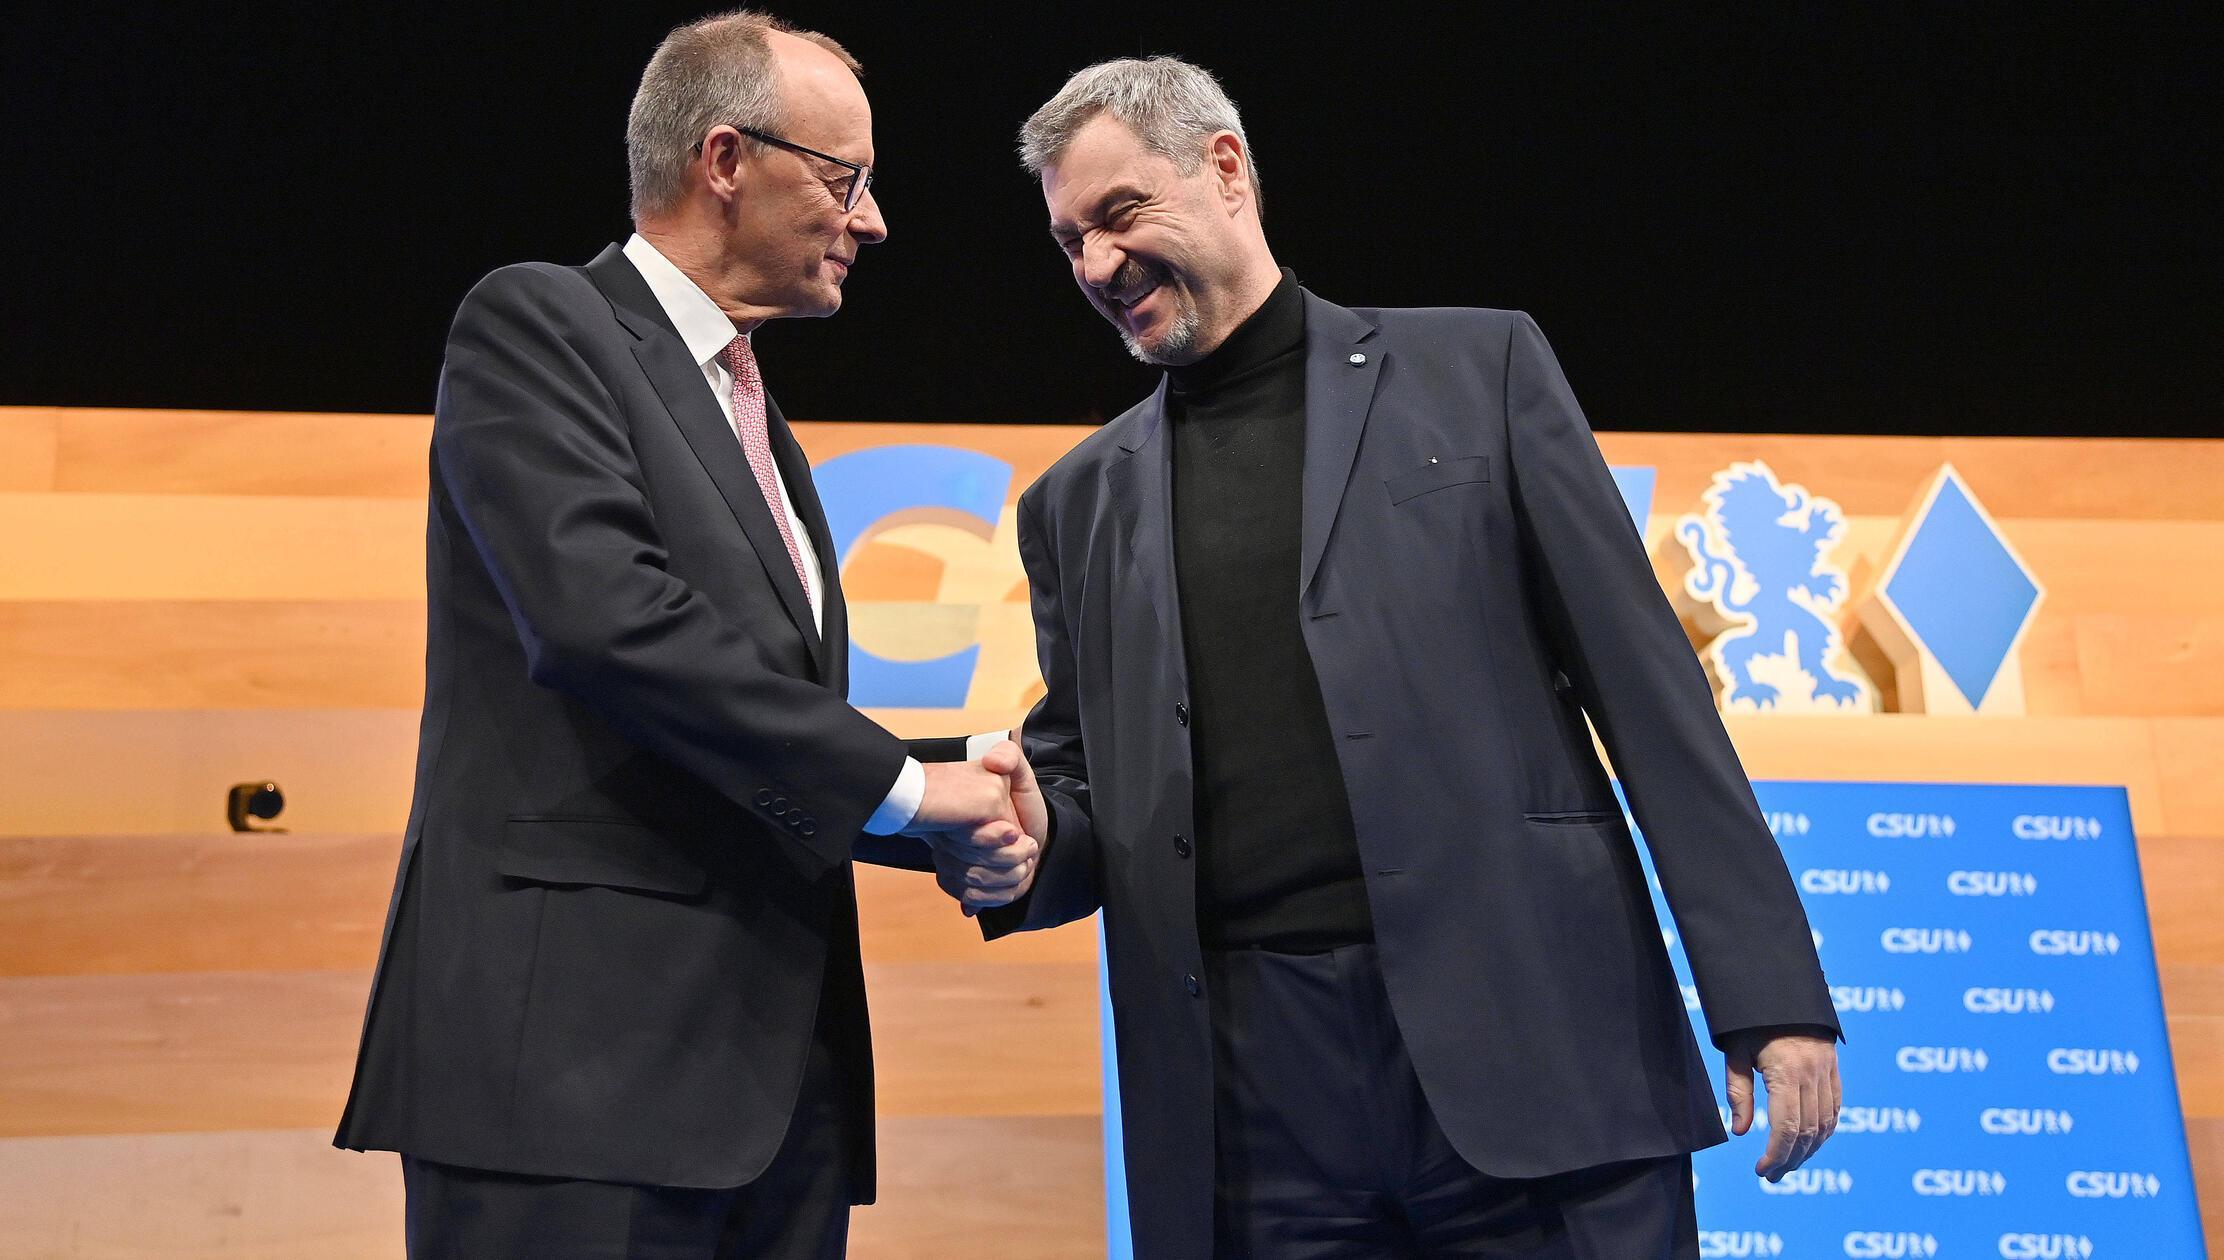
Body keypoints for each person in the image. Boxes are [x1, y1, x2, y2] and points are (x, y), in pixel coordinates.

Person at [983, 57, 1842, 1258]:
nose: (1095, 264)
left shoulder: (1479, 371)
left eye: (1119, 214)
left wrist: (1769, 994)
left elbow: (1649, 695)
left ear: (1225, 170)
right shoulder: (1075, 501)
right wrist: (1026, 839)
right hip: (1251, 1104)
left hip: (1534, 1038)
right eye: (1069, 240)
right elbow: (1083, 790)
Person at [334, 12, 1036, 1258]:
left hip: (769, 1104)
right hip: (569, 1087)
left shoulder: (762, 427)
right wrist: (909, 791)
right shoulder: (540, 324)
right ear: (724, 159)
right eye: (846, 178)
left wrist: (967, 799)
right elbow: (607, 625)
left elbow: (744, 731)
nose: (872, 221)